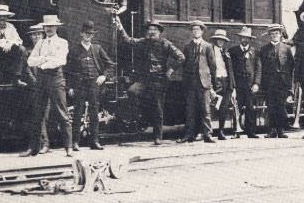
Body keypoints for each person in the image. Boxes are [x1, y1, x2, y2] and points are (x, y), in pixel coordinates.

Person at [116, 17, 184, 145]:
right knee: (132, 91)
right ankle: (139, 118)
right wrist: (120, 26)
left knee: (158, 109)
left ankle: (158, 137)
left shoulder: (166, 44)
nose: (152, 32)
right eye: (150, 29)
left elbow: (181, 57)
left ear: (159, 32)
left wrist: (170, 70)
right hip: (144, 80)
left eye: (155, 30)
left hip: (159, 80)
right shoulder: (143, 42)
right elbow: (128, 40)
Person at [23, 15, 73, 157]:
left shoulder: (62, 42)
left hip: (56, 79)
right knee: (37, 113)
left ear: (56, 27)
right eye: (46, 26)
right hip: (41, 80)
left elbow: (60, 60)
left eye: (51, 26)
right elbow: (30, 61)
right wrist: (45, 59)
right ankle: (33, 148)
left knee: (62, 113)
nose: (49, 29)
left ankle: (68, 147)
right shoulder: (40, 43)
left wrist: (42, 62)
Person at [67, 20, 114, 151]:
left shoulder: (97, 48)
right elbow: (68, 70)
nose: (88, 36)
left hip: (94, 84)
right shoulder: (74, 50)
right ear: (81, 34)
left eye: (91, 34)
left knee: (94, 113)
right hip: (79, 84)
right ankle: (75, 142)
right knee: (77, 112)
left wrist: (103, 76)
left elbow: (109, 64)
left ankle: (94, 141)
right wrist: (69, 87)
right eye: (86, 33)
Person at [179, 21, 217, 143]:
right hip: (191, 83)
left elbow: (213, 66)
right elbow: (184, 65)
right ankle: (189, 135)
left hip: (204, 82)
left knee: (205, 110)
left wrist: (212, 84)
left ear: (202, 31)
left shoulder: (208, 46)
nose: (195, 31)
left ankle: (208, 134)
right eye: (193, 30)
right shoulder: (187, 47)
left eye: (198, 29)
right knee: (190, 110)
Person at [254, 24, 295, 139]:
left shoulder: (286, 48)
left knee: (281, 106)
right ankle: (272, 130)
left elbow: (291, 66)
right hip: (269, 83)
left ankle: (281, 130)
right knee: (271, 106)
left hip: (283, 82)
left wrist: (290, 85)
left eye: (276, 33)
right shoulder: (264, 49)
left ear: (280, 34)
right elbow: (260, 67)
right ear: (269, 36)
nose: (274, 36)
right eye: (272, 34)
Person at [23, 24, 50, 153]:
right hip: (34, 87)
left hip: (47, 86)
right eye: (34, 35)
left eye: (39, 34)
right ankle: (41, 144)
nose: (36, 37)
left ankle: (43, 144)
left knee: (45, 115)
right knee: (36, 115)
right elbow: (26, 69)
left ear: (43, 35)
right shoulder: (28, 52)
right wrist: (35, 82)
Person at [0, 5, 26, 86]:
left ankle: (17, 78)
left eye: (4, 16)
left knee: (22, 49)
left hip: (6, 54)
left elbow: (18, 40)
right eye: (0, 16)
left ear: (7, 17)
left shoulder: (11, 26)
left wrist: (10, 43)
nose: (2, 18)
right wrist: (4, 43)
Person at [228, 26, 258, 139]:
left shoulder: (255, 51)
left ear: (250, 39)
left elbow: (258, 69)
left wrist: (256, 83)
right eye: (242, 37)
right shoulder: (233, 51)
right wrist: (233, 85)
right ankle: (237, 131)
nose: (244, 40)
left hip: (250, 85)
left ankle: (251, 132)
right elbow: (230, 69)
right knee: (237, 107)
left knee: (251, 107)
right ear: (239, 38)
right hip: (238, 85)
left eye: (246, 38)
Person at [210, 29, 235, 140]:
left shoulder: (226, 52)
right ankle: (206, 131)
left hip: (226, 82)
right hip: (216, 82)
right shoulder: (210, 51)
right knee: (211, 107)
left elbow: (230, 70)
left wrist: (233, 86)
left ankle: (221, 131)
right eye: (218, 39)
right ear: (215, 40)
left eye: (222, 40)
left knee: (224, 108)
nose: (220, 42)